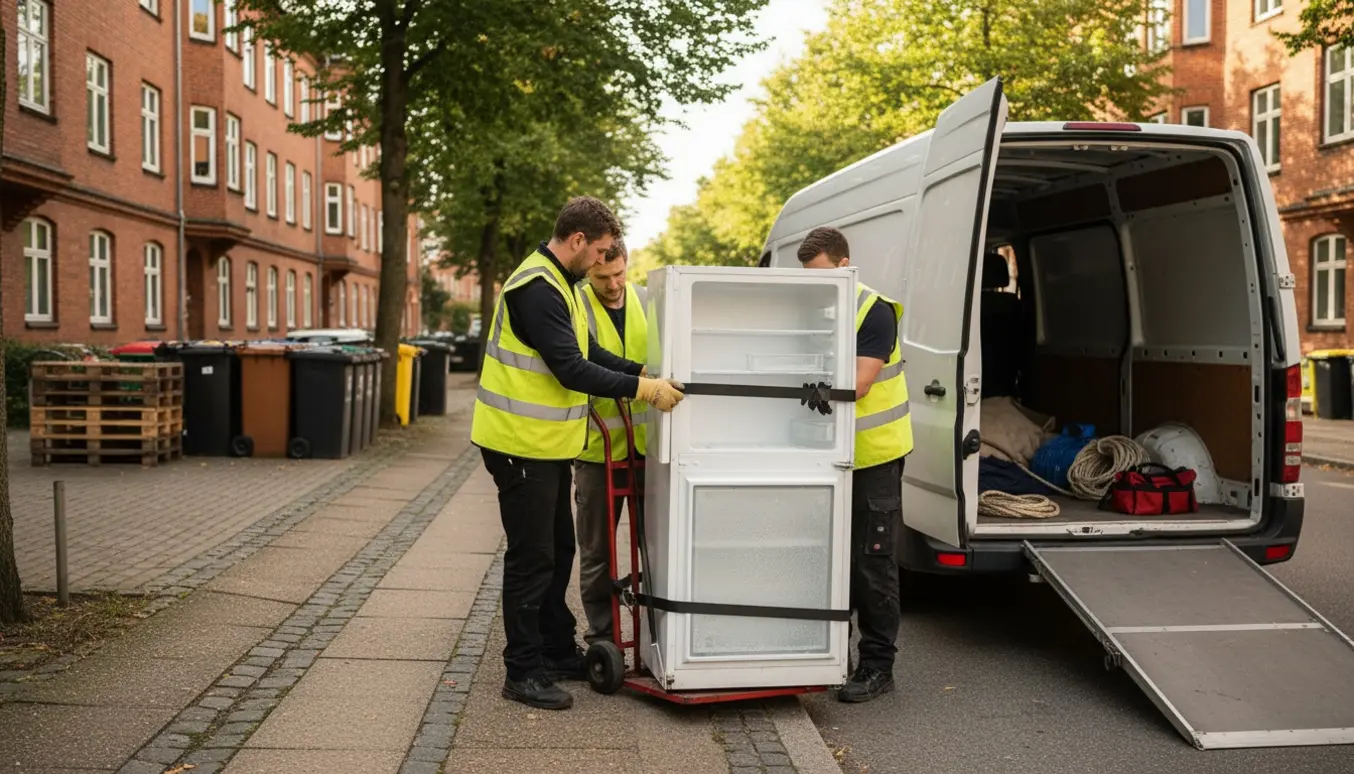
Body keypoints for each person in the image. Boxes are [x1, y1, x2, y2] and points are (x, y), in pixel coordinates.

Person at [471, 197, 685, 711]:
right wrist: (643, 392)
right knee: (531, 560)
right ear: (578, 241)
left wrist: (645, 375)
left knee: (559, 551)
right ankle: (522, 670)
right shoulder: (537, 288)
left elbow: (592, 352)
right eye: (602, 251)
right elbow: (572, 368)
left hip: (544, 448)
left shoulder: (559, 284)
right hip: (519, 445)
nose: (603, 262)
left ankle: (554, 648)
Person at [797, 225, 914, 703]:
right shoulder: (817, 308)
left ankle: (877, 666)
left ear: (845, 266)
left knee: (872, 564)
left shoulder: (874, 310)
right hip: (830, 460)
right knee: (828, 561)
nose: (817, 285)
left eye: (824, 275)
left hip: (874, 458)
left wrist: (820, 383)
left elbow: (862, 381)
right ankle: (831, 658)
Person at [573, 236, 649, 648]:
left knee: (654, 548)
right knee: (597, 552)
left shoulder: (649, 301)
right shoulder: (576, 303)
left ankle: (657, 630)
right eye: (603, 277)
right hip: (595, 451)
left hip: (649, 449)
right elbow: (586, 358)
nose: (614, 284)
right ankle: (602, 635)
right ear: (589, 271)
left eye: (619, 273)